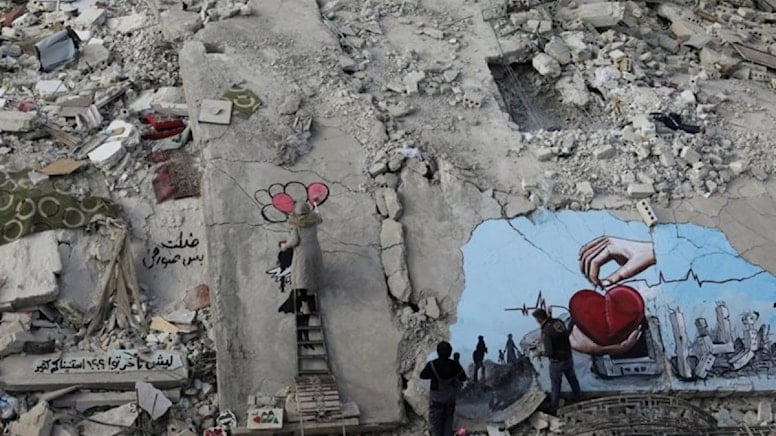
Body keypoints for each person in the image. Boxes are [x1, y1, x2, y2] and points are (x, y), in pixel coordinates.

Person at [277, 202, 323, 347]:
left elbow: (295, 241)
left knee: (301, 280)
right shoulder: (314, 219)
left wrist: (285, 246)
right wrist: (316, 205)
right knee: (312, 276)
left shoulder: (297, 225)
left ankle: (305, 305)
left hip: (302, 253)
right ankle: (311, 300)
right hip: (315, 251)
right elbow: (319, 216)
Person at [532, 308, 581, 415]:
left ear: (539, 319)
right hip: (567, 357)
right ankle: (579, 399)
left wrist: (540, 353)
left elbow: (549, 352)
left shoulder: (546, 331)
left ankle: (554, 408)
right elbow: (562, 334)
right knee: (573, 380)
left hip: (557, 362)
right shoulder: (557, 322)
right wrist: (543, 340)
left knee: (555, 385)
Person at [420, 341, 467, 436]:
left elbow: (423, 375)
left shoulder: (432, 364)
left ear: (437, 352)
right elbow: (463, 378)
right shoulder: (454, 365)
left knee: (436, 426)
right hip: (449, 399)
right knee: (448, 422)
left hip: (436, 400)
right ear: (450, 352)